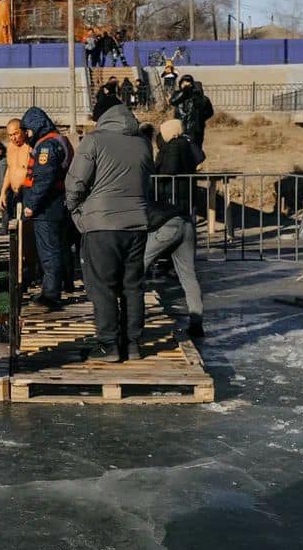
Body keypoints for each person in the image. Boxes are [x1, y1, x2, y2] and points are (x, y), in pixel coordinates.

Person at [65, 101, 150, 361]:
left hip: (102, 224)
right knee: (132, 286)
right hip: (137, 223)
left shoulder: (94, 140)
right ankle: (132, 344)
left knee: (102, 287)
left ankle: (108, 345)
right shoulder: (142, 143)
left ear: (101, 118)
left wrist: (75, 208)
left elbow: (76, 181)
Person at [20, 107, 74, 309]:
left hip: (47, 207)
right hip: (56, 205)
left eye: (28, 130)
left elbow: (44, 179)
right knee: (58, 249)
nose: (27, 135)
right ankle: (61, 287)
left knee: (49, 251)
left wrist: (31, 205)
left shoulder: (47, 146)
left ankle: (51, 295)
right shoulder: (57, 140)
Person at [143, 201, 205, 339]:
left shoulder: (127, 207)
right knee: (189, 277)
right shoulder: (147, 201)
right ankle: (197, 326)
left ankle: (132, 323)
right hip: (187, 223)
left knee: (135, 272)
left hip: (166, 227)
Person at [155, 118, 198, 209]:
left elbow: (172, 167)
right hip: (185, 188)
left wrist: (159, 177)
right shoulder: (185, 142)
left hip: (175, 189)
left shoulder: (175, 145)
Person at [169, 74, 214, 148]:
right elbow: (173, 101)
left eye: (187, 82)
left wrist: (200, 119)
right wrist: (184, 92)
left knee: (195, 151)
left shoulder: (197, 96)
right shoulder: (178, 94)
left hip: (195, 129)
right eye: (183, 83)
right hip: (180, 127)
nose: (185, 84)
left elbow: (209, 111)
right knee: (181, 150)